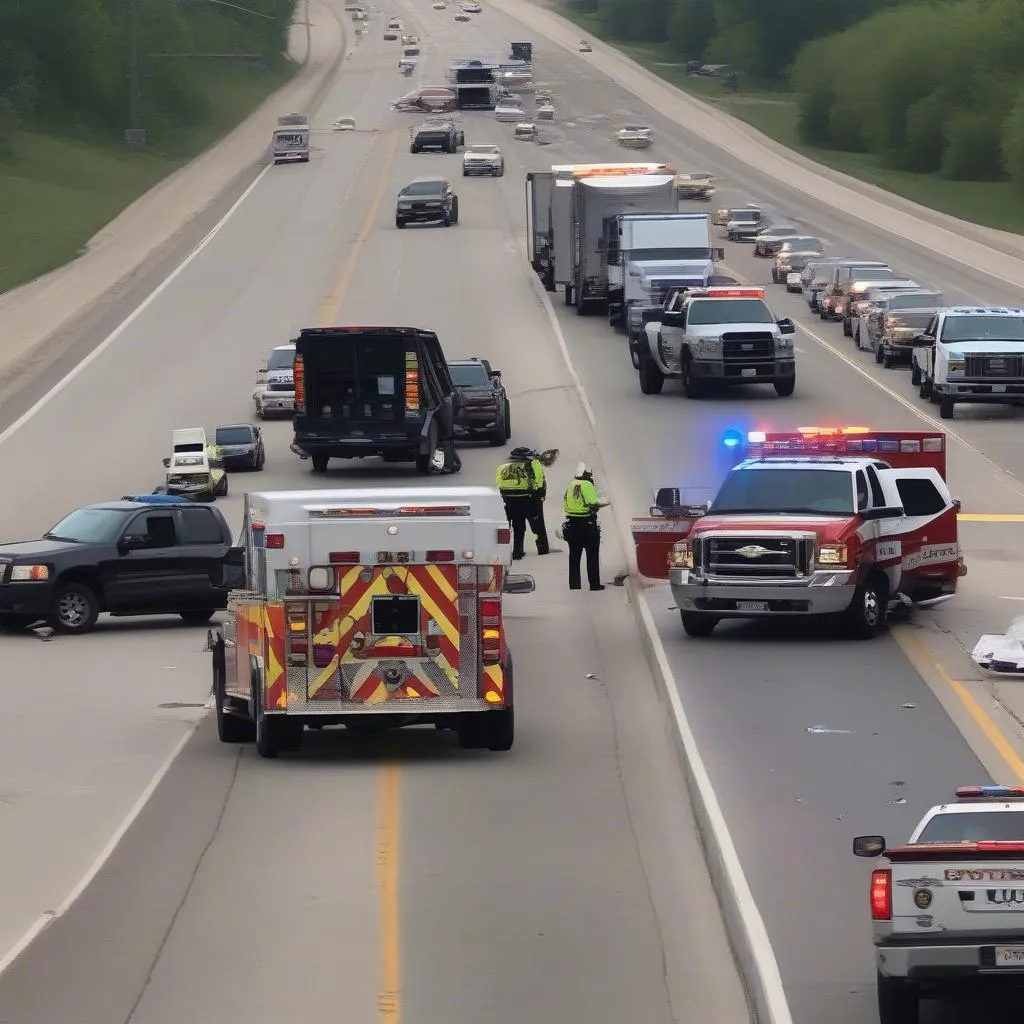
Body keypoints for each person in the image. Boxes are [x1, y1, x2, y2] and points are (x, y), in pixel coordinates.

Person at [495, 447, 550, 559]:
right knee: (537, 526)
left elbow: (498, 485)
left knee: (515, 526)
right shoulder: (533, 464)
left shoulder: (501, 468)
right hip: (528, 499)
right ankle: (542, 549)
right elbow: (539, 482)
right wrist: (541, 496)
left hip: (508, 500)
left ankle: (515, 552)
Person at [562, 462, 609, 591]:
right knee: (592, 556)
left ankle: (574, 584)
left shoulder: (571, 484)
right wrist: (607, 502)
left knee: (574, 557)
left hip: (572, 525)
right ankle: (594, 584)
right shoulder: (587, 484)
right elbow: (592, 502)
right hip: (587, 526)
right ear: (586, 475)